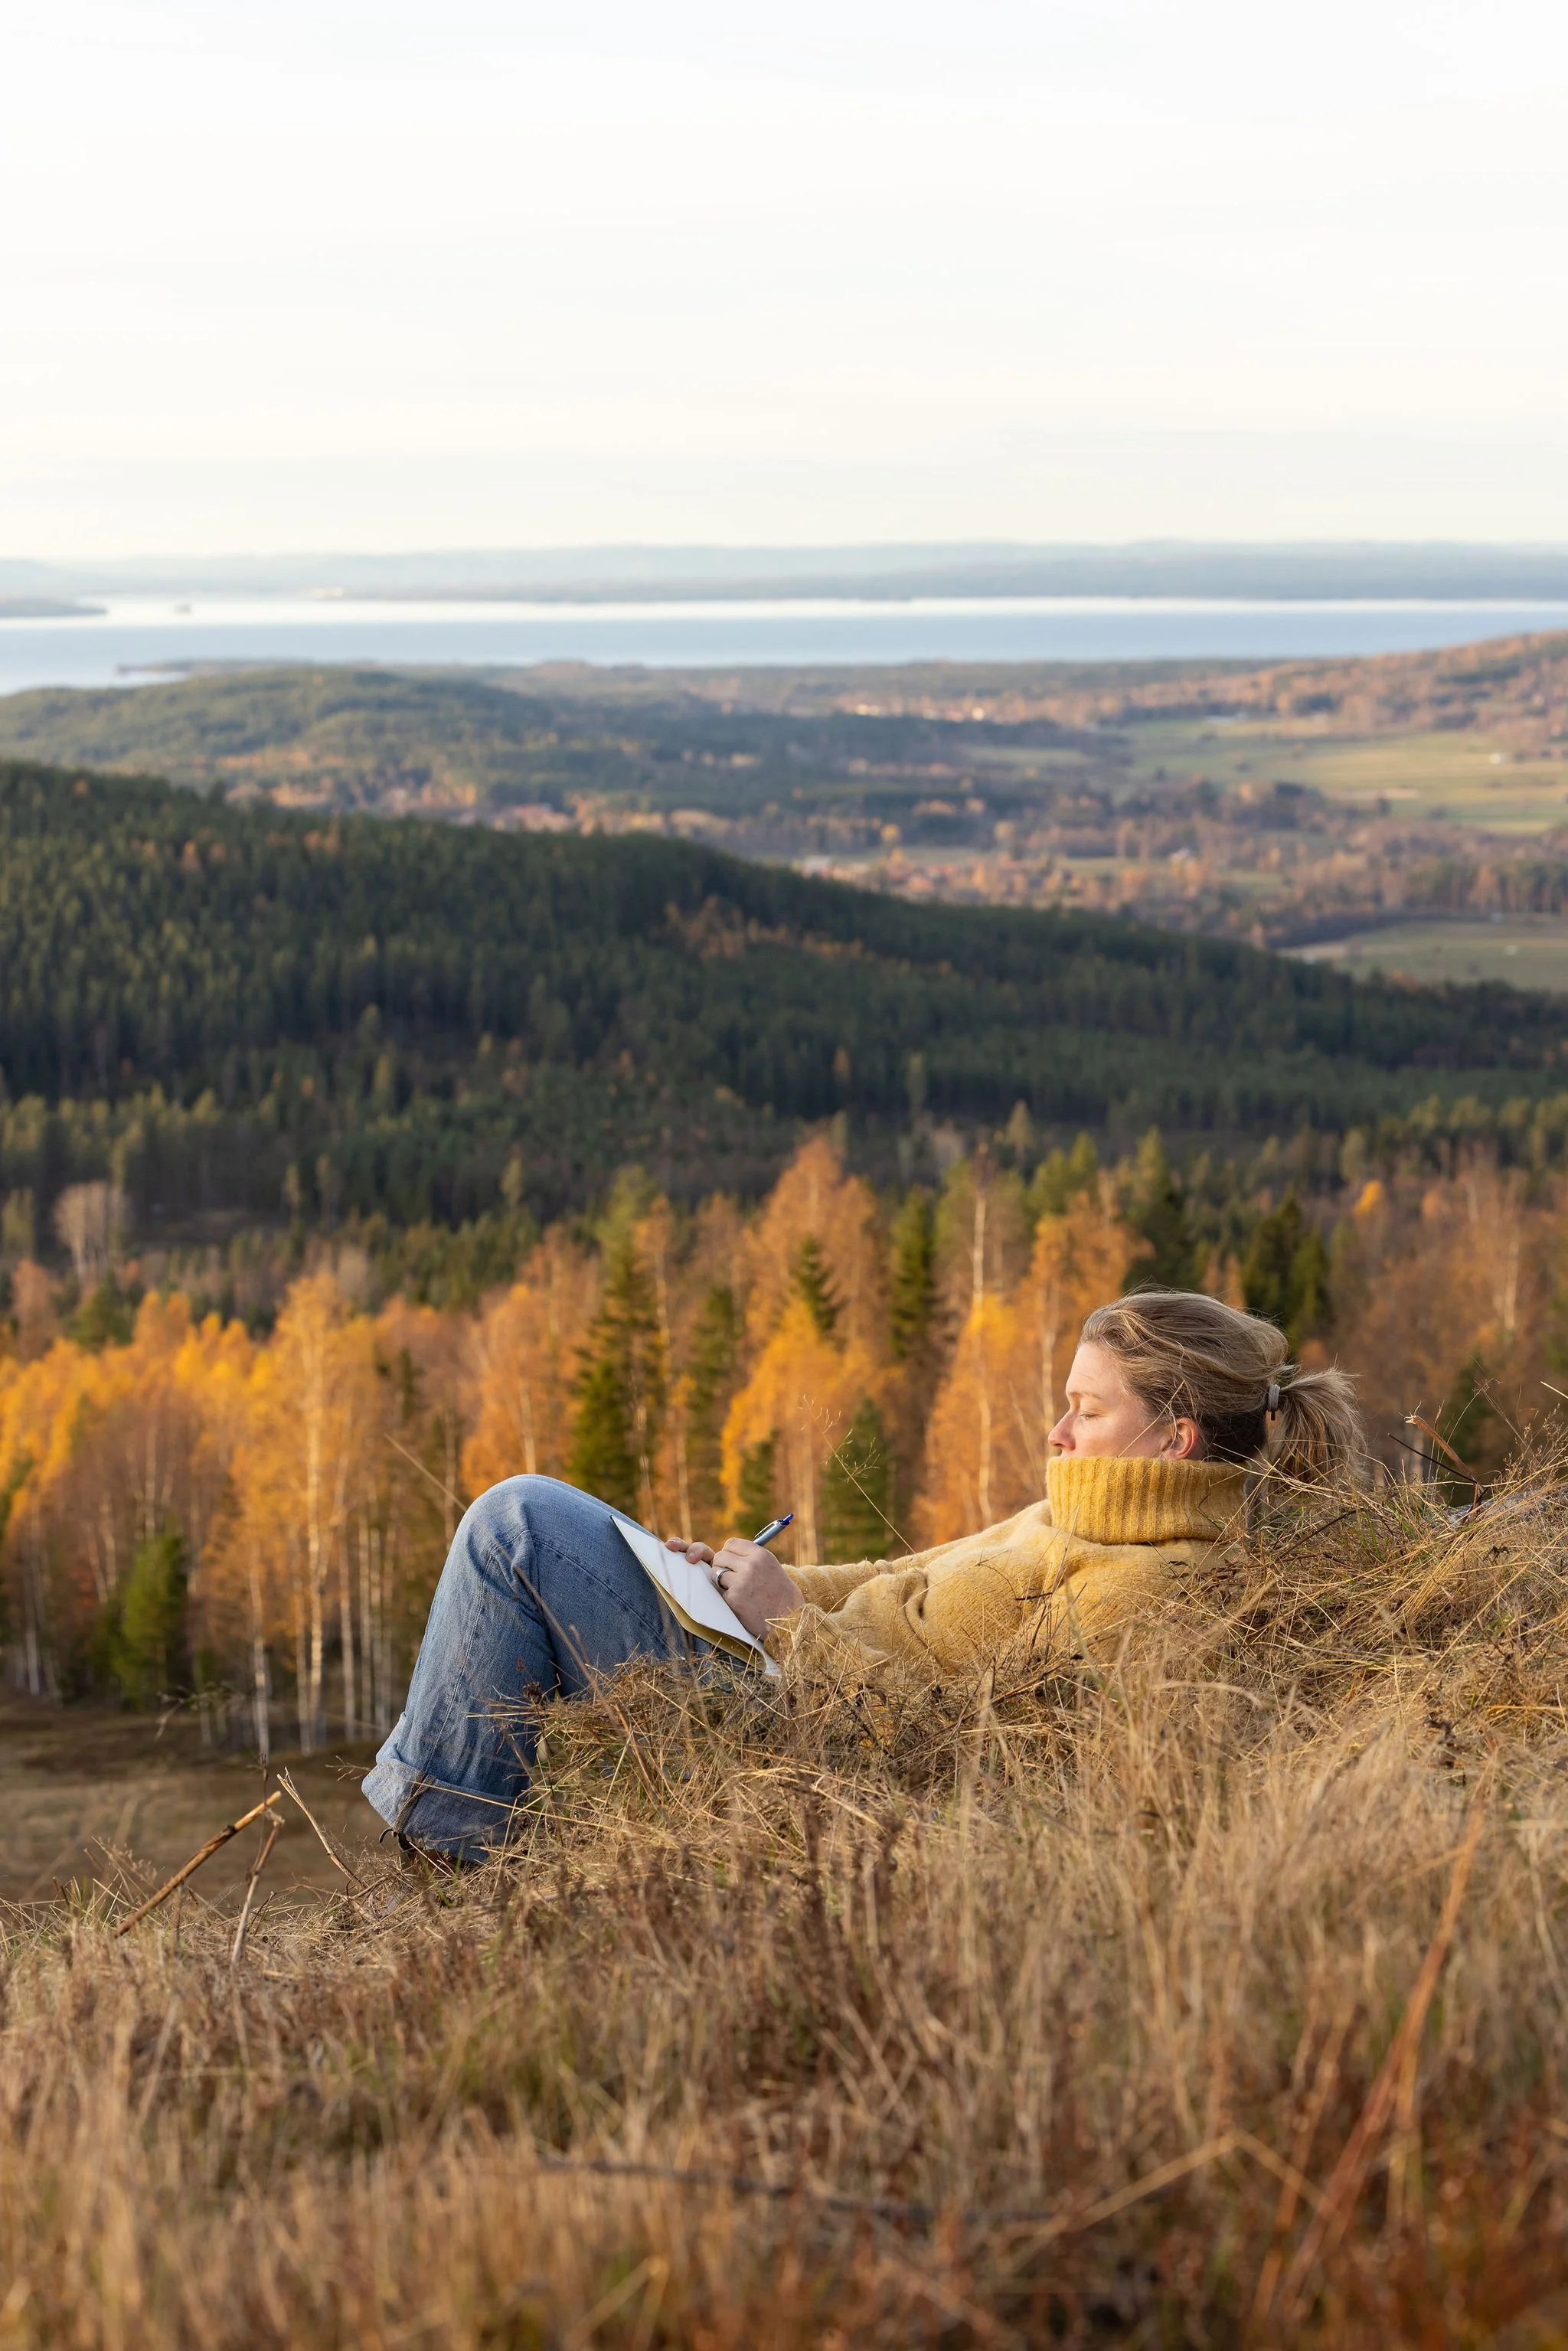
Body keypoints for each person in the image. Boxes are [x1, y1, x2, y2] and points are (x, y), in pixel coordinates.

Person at [361, 1288, 1364, 1860]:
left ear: (1176, 1437)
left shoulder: (1150, 1586)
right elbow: (902, 1569)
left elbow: (964, 1745)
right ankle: (459, 1833)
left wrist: (791, 1624)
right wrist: (747, 1577)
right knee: (532, 1528)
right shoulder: (1071, 1509)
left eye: (1086, 1410)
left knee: (518, 1525)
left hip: (803, 1737)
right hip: (779, 1661)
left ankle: (457, 1851)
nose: (1057, 1432)